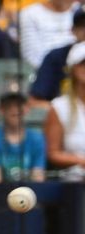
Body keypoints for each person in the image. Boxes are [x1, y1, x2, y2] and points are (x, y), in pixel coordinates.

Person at [0, 92, 46, 183]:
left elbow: (38, 176)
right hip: (0, 192)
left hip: (29, 192)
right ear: (0, 109)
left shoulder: (37, 138)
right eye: (9, 105)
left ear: (27, 108)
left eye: (19, 105)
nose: (15, 109)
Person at [45, 41, 85, 181]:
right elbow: (53, 153)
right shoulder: (60, 106)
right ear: (73, 68)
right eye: (83, 63)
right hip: (77, 181)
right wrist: (81, 162)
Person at [30, 7, 85, 107]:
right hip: (65, 119)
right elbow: (35, 101)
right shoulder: (55, 58)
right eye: (82, 26)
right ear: (73, 30)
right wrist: (62, 111)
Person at [19, 0, 79, 68]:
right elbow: (30, 57)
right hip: (43, 73)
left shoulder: (81, 11)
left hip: (79, 72)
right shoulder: (29, 14)